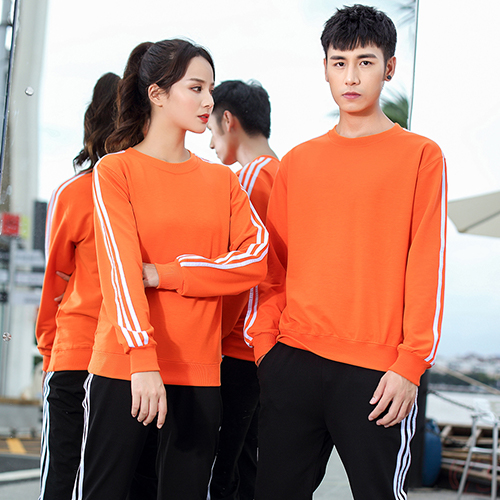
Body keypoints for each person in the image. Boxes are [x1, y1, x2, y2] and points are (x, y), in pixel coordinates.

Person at [246, 5, 447, 499]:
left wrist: (410, 365)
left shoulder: (421, 156)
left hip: (377, 376)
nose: (351, 77)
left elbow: (428, 265)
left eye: (365, 62)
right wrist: (266, 348)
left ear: (389, 67)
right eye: (340, 62)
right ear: (325, 69)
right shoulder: (297, 162)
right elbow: (274, 269)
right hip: (292, 361)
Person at [73, 39, 268, 500]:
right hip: (125, 367)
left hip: (200, 373)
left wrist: (169, 275)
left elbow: (255, 258)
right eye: (196, 88)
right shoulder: (115, 171)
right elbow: (120, 271)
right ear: (157, 94)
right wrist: (143, 360)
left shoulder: (223, 181)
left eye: (211, 90)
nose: (208, 102)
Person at [36, 72, 120, 500]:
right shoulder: (142, 191)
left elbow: (55, 280)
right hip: (125, 362)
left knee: (61, 477)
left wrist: (48, 351)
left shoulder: (73, 193)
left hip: (75, 352)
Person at [207, 80, 279, 500]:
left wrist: (211, 337)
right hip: (268, 345)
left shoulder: (247, 179)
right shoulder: (285, 174)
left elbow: (238, 269)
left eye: (212, 130)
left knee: (217, 470)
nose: (211, 143)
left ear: (228, 121)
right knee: (246, 467)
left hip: (237, 341)